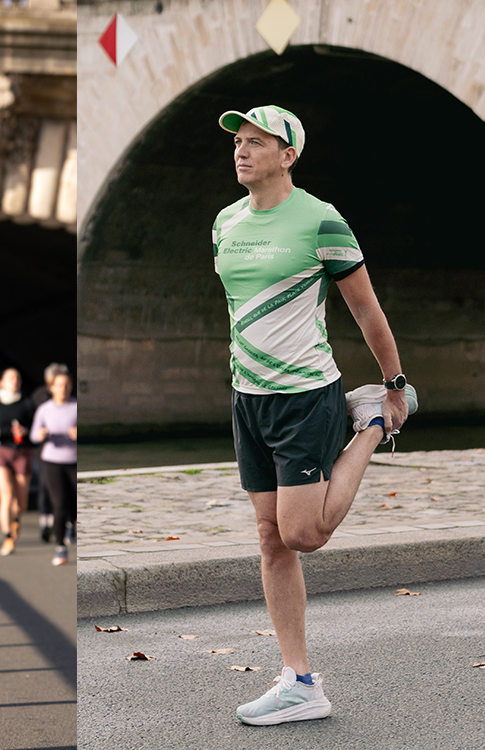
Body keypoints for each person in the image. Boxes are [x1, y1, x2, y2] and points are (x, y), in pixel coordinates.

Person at [213, 105, 418, 726]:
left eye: (256, 143)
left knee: (306, 534)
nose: (242, 152)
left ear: (288, 156)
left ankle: (371, 425)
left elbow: (366, 310)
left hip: (304, 396)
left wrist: (395, 386)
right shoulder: (224, 222)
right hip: (248, 398)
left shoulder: (322, 221)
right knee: (271, 538)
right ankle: (299, 680)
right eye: (239, 142)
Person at [0, 368, 35, 557]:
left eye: (18, 378)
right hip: (0, 451)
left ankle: (16, 518)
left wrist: (25, 432)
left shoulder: (27, 403)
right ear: (2, 382)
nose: (15, 380)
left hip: (21, 452)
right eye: (11, 378)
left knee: (21, 503)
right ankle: (7, 537)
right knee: (7, 495)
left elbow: (36, 431)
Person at [30, 363, 61, 543]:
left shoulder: (70, 400)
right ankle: (46, 521)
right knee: (45, 486)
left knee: (63, 489)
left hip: (64, 451)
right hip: (44, 451)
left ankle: (64, 523)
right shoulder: (40, 397)